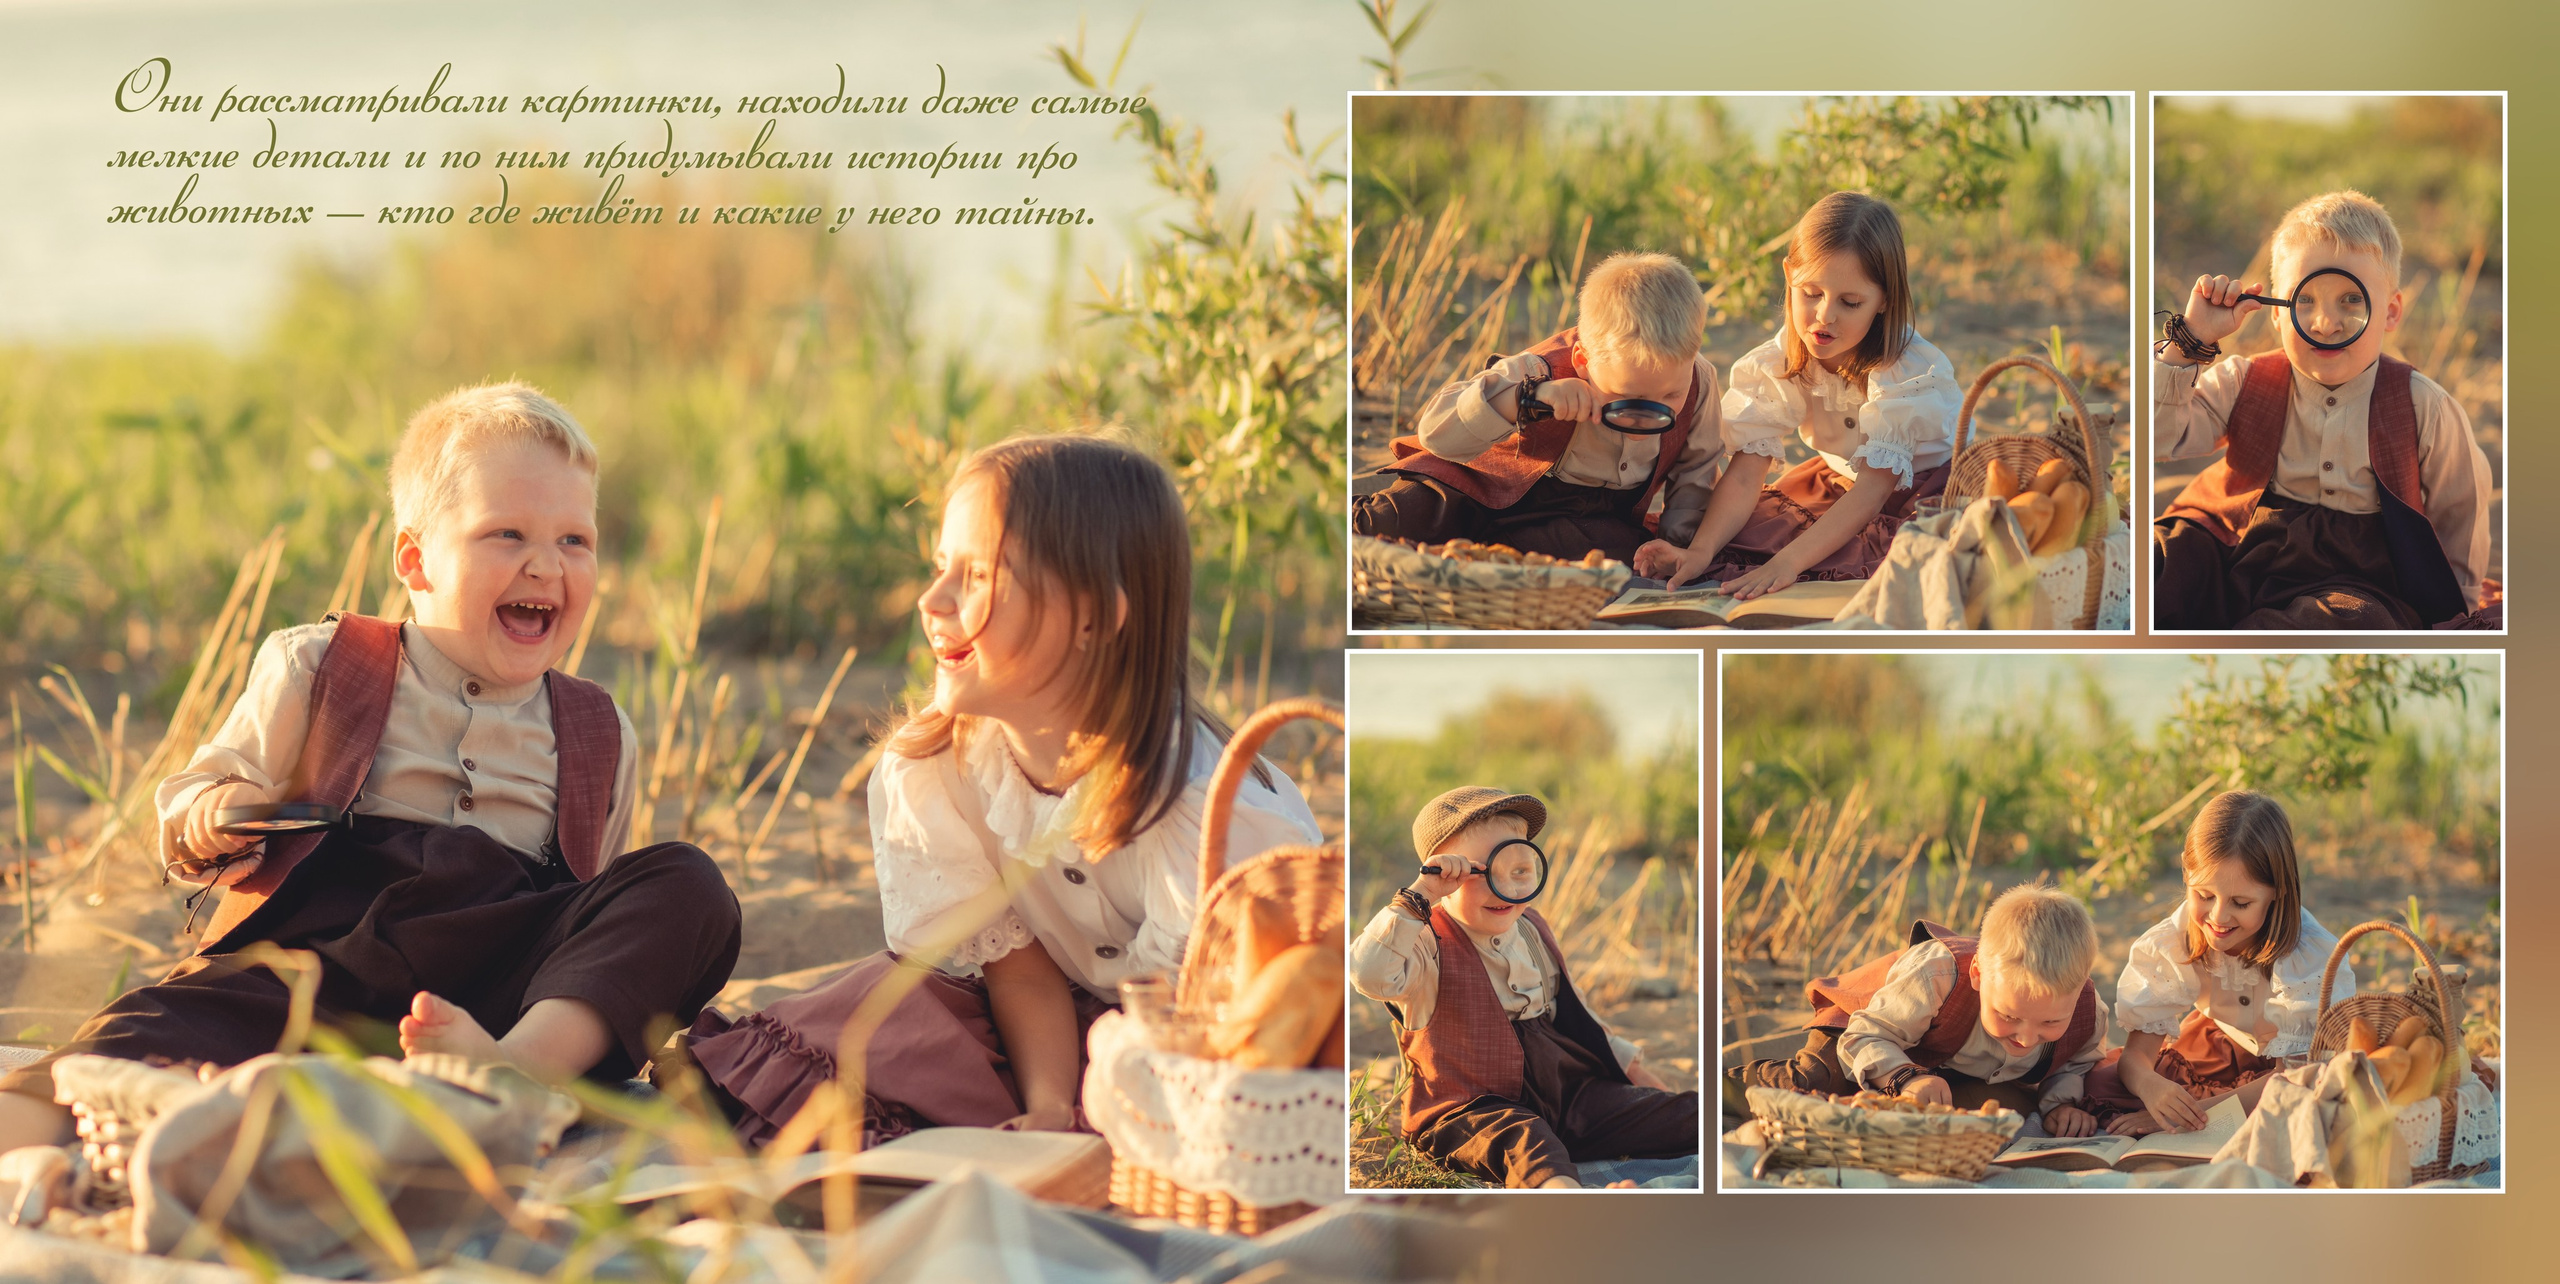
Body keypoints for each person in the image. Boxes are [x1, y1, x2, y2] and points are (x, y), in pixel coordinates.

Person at [0, 382, 742, 1151]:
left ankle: (514, 1077)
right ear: (416, 562)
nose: (544, 567)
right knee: (138, 1029)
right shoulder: (321, 665)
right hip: (316, 970)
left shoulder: (598, 728)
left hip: (490, 998)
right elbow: (188, 802)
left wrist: (553, 998)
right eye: (507, 535)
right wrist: (215, 815)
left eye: (573, 542)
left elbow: (593, 918)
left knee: (686, 884)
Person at [679, 434, 1318, 1147]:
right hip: (1047, 1029)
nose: (932, 599)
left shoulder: (1205, 809)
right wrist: (1048, 1104)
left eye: (978, 575)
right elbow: (1022, 971)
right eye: (938, 567)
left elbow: (1235, 1016)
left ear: (1094, 617)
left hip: (1197, 1043)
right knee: (883, 1005)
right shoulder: (941, 769)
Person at [2152, 189, 2495, 629]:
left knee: (2351, 620)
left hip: (2353, 575)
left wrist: (2457, 612)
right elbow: (2159, 438)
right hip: (2236, 540)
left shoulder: (2422, 404)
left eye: (2351, 301)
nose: (2325, 323)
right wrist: (2189, 342)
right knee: (2160, 562)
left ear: (2390, 313)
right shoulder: (2244, 379)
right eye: (2304, 301)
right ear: (2276, 314)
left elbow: (2460, 510)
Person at [1350, 787, 1697, 1189]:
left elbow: (1576, 1013)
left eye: (1520, 871)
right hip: (1470, 1111)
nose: (1509, 890)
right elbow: (1366, 973)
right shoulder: (1426, 943)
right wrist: (1418, 897)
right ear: (1443, 877)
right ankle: (1565, 1195)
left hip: (1567, 1095)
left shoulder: (1531, 928)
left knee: (1674, 1112)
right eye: (1480, 874)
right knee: (1527, 1141)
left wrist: (1635, 1071)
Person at [1637, 191, 1963, 599]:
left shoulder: (1908, 370)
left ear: (1884, 301)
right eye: (1811, 293)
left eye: (1850, 302)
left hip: (1919, 493)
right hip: (1838, 482)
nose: (1825, 315)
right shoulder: (1779, 361)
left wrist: (1787, 563)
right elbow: (1744, 475)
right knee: (1743, 542)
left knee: (1882, 567)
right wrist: (1701, 551)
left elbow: (1873, 491)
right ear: (1789, 275)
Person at [1351, 251, 1725, 566]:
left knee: (1619, 559)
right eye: (1626, 396)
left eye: (1670, 397)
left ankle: (1497, 554)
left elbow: (1696, 472)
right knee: (1395, 521)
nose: (1648, 412)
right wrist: (1525, 399)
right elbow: (1436, 434)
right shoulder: (1540, 369)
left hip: (1582, 515)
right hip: (1479, 488)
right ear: (1583, 359)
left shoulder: (1700, 382)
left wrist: (1679, 545)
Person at [1727, 884, 2106, 1139]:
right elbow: (1864, 1035)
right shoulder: (1939, 973)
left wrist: (2061, 1104)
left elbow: (2074, 1063)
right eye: (2007, 1016)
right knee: (1814, 1085)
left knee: (2002, 1114)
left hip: (1951, 1070)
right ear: (1978, 974)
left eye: (2050, 1022)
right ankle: (1723, 1089)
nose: (2025, 1037)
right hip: (1869, 1032)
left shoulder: (2088, 1014)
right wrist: (1905, 1077)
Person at [2082, 791, 2353, 1134]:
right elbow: (2136, 1057)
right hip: (2216, 1046)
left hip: (2289, 1066)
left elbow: (2295, 1076)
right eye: (2204, 896)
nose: (2218, 917)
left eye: (2241, 903)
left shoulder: (2310, 954)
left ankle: (2219, 1107)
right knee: (2098, 1085)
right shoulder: (2173, 940)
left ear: (2278, 891)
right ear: (2186, 871)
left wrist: (2193, 1113)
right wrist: (2152, 1088)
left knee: (2310, 1101)